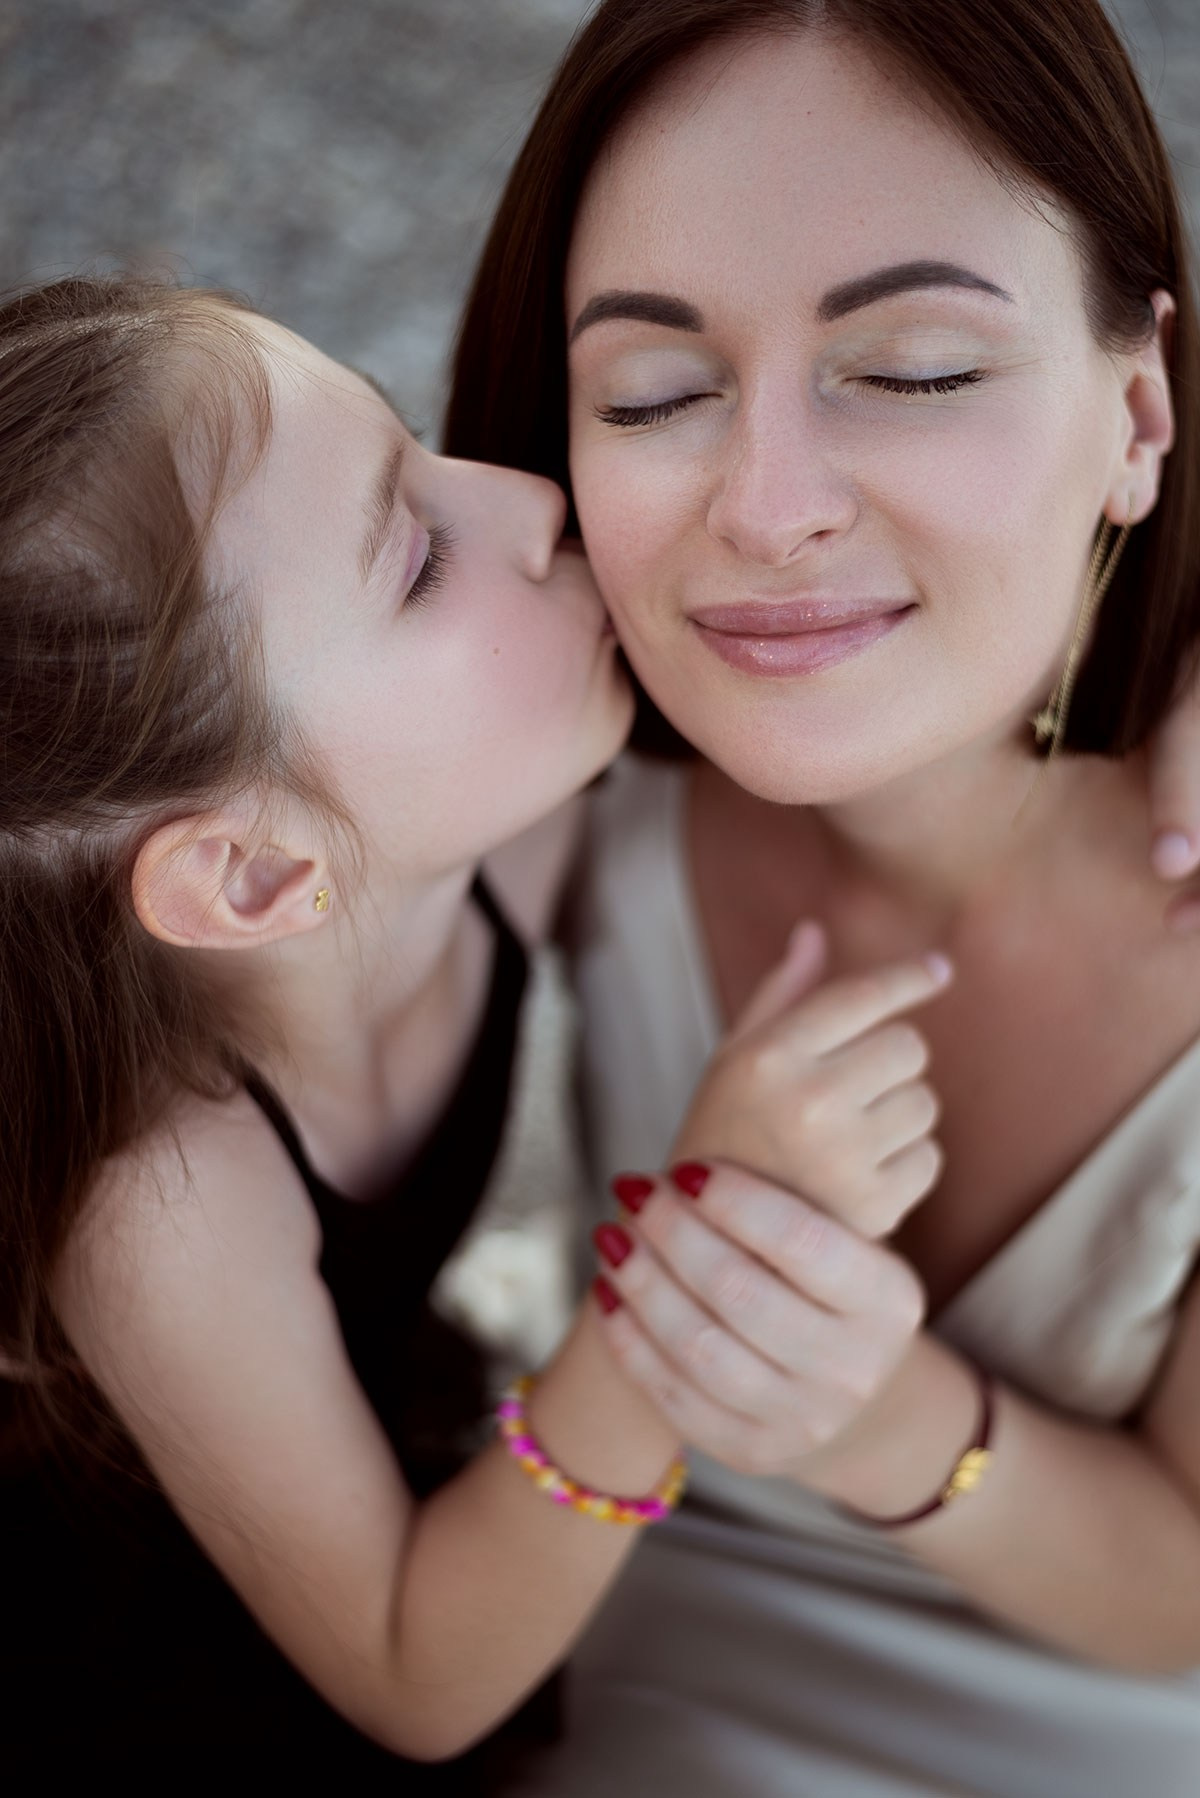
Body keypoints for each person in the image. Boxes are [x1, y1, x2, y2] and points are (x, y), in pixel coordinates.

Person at [0, 272, 952, 1778]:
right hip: (166, 1693)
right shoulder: (164, 1198)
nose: (526, 490)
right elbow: (412, 1672)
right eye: (418, 557)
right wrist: (699, 1235)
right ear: (254, 870)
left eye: (421, 439)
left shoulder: (500, 837)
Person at [443, 1, 1200, 1791]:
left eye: (919, 367)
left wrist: (875, 1414)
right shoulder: (544, 827)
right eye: (656, 393)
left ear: (1139, 413)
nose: (766, 504)